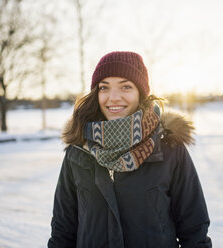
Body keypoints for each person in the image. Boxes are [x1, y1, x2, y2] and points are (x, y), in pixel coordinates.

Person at [48, 51, 212, 248]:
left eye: (126, 86)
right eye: (104, 87)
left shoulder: (169, 149)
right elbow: (63, 230)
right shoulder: (78, 153)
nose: (113, 97)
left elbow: (194, 231)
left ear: (140, 93)